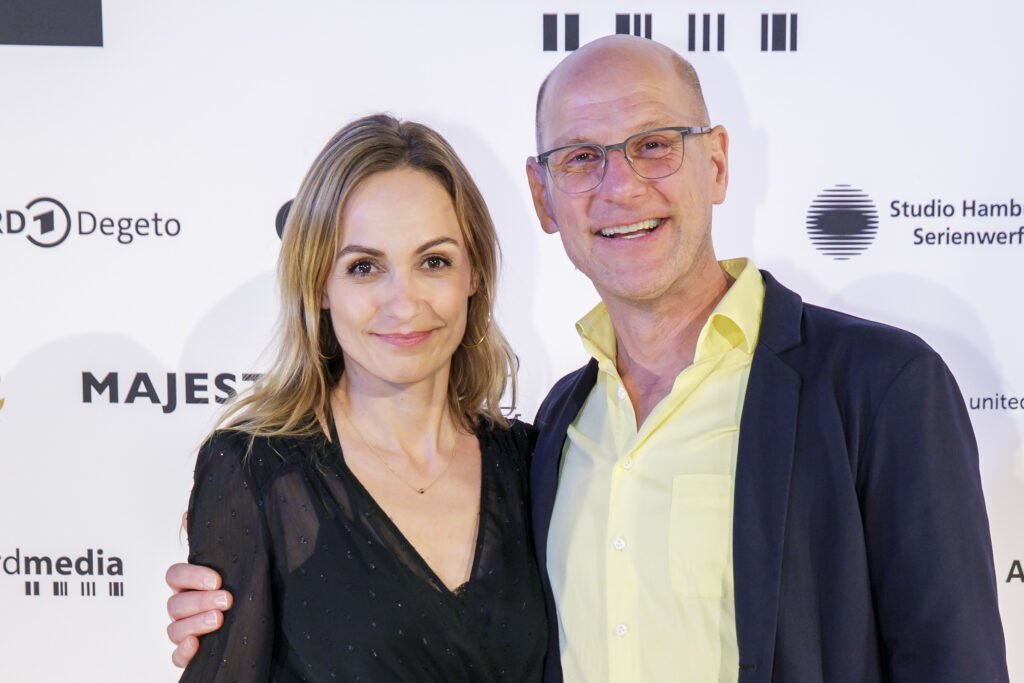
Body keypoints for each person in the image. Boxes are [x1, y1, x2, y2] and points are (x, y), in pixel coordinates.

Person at [168, 37, 1009, 682]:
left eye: (654, 144)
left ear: (717, 162)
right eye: (581, 157)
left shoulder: (878, 388)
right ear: (543, 196)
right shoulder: (560, 432)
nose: (620, 186)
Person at [174, 113, 547, 681]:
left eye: (434, 261)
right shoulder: (256, 473)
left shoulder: (535, 464)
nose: (404, 303)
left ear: (473, 274)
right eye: (365, 267)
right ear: (320, 285)